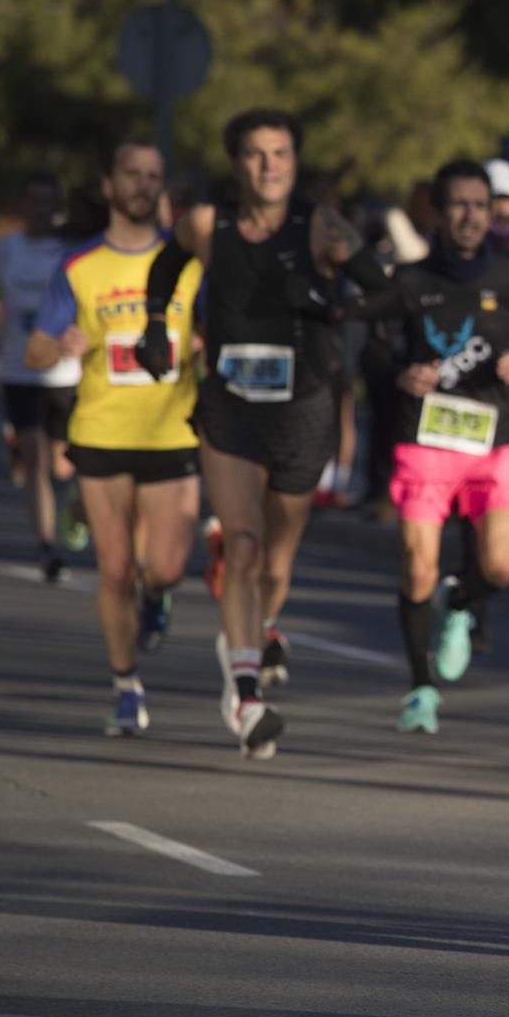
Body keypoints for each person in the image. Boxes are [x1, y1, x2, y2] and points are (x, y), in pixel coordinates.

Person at [138, 108, 388, 750]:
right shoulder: (205, 225)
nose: (269, 165)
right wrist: (154, 333)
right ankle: (248, 699)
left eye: (280, 153)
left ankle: (248, 637)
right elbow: (163, 272)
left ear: (295, 162)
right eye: (256, 154)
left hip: (303, 409)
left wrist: (336, 307)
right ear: (237, 162)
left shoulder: (322, 227)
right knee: (242, 549)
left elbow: (381, 293)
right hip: (231, 406)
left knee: (276, 562)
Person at [366, 159, 509, 735]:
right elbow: (372, 350)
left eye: (480, 206)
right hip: (425, 443)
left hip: (494, 444)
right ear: (436, 211)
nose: (470, 217)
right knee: (416, 568)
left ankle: (461, 600)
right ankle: (420, 688)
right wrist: (401, 373)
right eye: (458, 205)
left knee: (501, 567)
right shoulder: (410, 283)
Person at [25, 144, 203, 740]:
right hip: (101, 432)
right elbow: (35, 349)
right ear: (109, 184)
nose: (144, 185)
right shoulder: (79, 267)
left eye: (155, 176)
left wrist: (207, 343)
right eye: (132, 174)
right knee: (116, 567)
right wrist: (62, 347)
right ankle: (126, 687)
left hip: (171, 430)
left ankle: (160, 597)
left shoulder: (189, 264)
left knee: (169, 567)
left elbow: (214, 327)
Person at [0, 172, 83, 580]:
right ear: (24, 206)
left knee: (63, 466)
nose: (40, 209)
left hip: (65, 373)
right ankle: (47, 547)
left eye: (48, 201)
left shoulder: (70, 250)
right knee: (36, 460)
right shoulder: (4, 251)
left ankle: (74, 503)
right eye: (33, 201)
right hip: (18, 369)